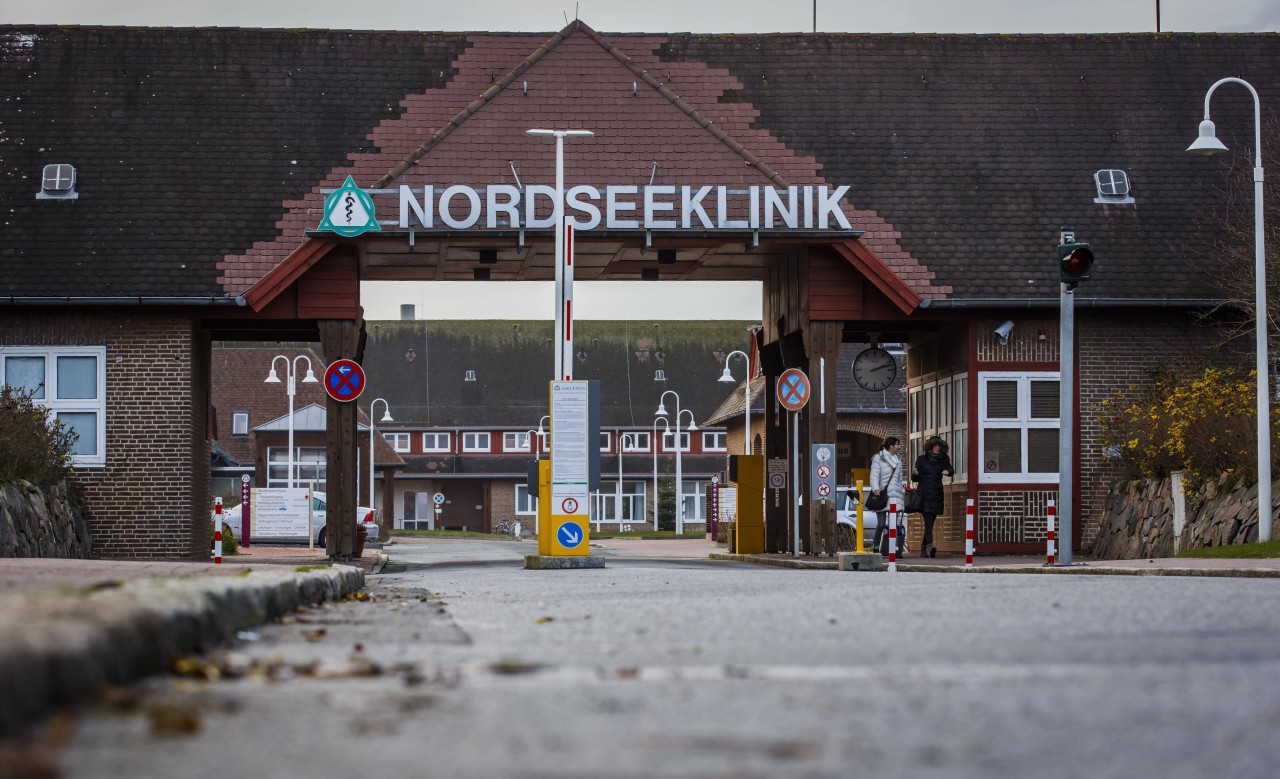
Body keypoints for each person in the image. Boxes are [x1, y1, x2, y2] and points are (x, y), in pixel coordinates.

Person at [912, 435, 954, 558]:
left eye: (939, 446)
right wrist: (915, 474)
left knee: (931, 521)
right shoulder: (921, 459)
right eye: (935, 445)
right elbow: (915, 478)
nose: (937, 448)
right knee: (928, 521)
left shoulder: (944, 458)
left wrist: (948, 472)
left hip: (936, 494)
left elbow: (951, 470)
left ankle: (923, 548)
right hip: (924, 494)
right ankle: (930, 546)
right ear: (930, 446)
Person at [869, 436, 904, 555]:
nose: (900, 446)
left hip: (896, 495)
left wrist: (901, 491)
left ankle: (893, 548)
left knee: (895, 524)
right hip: (882, 495)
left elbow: (899, 478)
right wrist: (875, 488)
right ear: (891, 446)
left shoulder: (898, 459)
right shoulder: (878, 458)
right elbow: (874, 474)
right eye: (898, 444)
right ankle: (876, 544)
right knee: (881, 523)